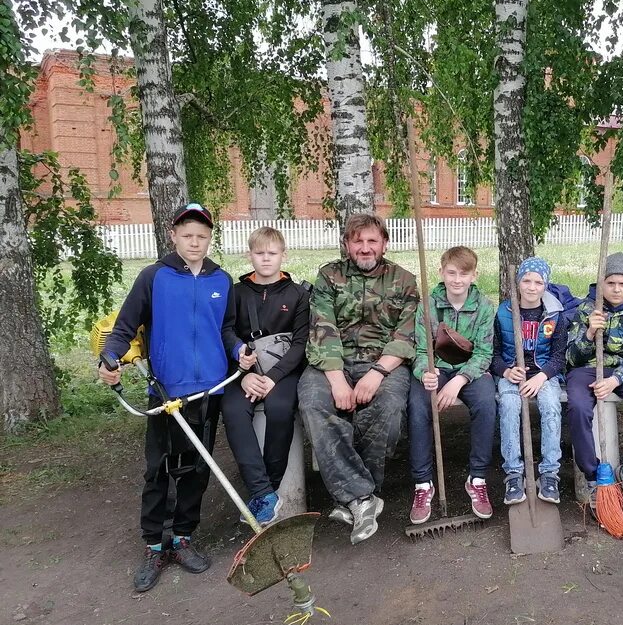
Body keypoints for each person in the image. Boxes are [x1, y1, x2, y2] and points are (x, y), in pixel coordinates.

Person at [98, 203, 253, 592]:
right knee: (159, 469)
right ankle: (155, 545)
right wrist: (109, 357)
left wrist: (239, 353)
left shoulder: (222, 280)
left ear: (210, 237)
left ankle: (183, 538)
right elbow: (123, 329)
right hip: (166, 392)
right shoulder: (154, 277)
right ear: (174, 235)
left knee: (196, 469)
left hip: (209, 390)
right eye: (187, 235)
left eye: (201, 236)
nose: (195, 242)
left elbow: (228, 330)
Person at [298, 213, 418, 544]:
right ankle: (364, 498)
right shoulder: (328, 276)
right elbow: (322, 328)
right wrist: (337, 381)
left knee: (388, 409)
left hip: (384, 363)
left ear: (384, 244)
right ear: (347, 245)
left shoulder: (404, 280)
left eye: (372, 241)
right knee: (313, 403)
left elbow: (407, 334)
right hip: (331, 362)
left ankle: (349, 498)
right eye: (358, 241)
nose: (365, 248)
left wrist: (377, 374)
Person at [221, 227, 310, 525]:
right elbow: (226, 332)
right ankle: (262, 491)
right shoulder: (236, 293)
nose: (266, 259)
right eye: (260, 253)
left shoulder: (297, 295)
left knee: (279, 408)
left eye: (272, 253)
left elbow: (300, 343)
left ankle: (268, 488)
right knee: (233, 410)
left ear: (283, 256)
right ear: (250, 255)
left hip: (283, 373)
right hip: (245, 372)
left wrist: (273, 378)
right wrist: (241, 370)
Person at [407, 246, 497, 524]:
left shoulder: (483, 307)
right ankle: (423, 484)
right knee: (419, 404)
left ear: (474, 275)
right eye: (452, 273)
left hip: (470, 370)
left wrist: (458, 381)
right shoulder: (428, 306)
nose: (457, 279)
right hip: (437, 369)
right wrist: (425, 372)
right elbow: (421, 350)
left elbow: (484, 353)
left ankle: (477, 478)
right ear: (441, 272)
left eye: (464, 274)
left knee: (486, 402)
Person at [565, 252, 623, 515]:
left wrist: (614, 380)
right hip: (585, 370)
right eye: (611, 283)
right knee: (579, 408)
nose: (616, 289)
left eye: (622, 284)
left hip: (622, 371)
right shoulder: (586, 309)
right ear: (601, 284)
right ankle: (594, 476)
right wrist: (589, 333)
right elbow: (571, 356)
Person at [491, 257, 568, 505]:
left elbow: (559, 357)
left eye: (538, 282)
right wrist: (506, 371)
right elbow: (493, 354)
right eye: (526, 280)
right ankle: (513, 474)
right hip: (513, 373)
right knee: (510, 406)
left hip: (544, 374)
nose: (532, 287)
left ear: (546, 285)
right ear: (518, 282)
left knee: (551, 406)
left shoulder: (555, 315)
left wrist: (542, 376)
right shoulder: (504, 312)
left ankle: (549, 474)